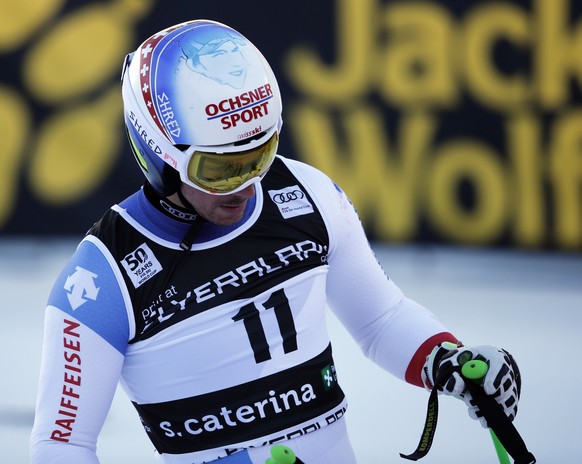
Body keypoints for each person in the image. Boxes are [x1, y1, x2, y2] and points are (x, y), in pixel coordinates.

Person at [29, 20, 523, 464]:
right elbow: (61, 445)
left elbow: (380, 320)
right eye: (220, 169)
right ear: (160, 155)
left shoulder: (305, 193)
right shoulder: (99, 280)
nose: (246, 186)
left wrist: (446, 360)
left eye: (260, 154)